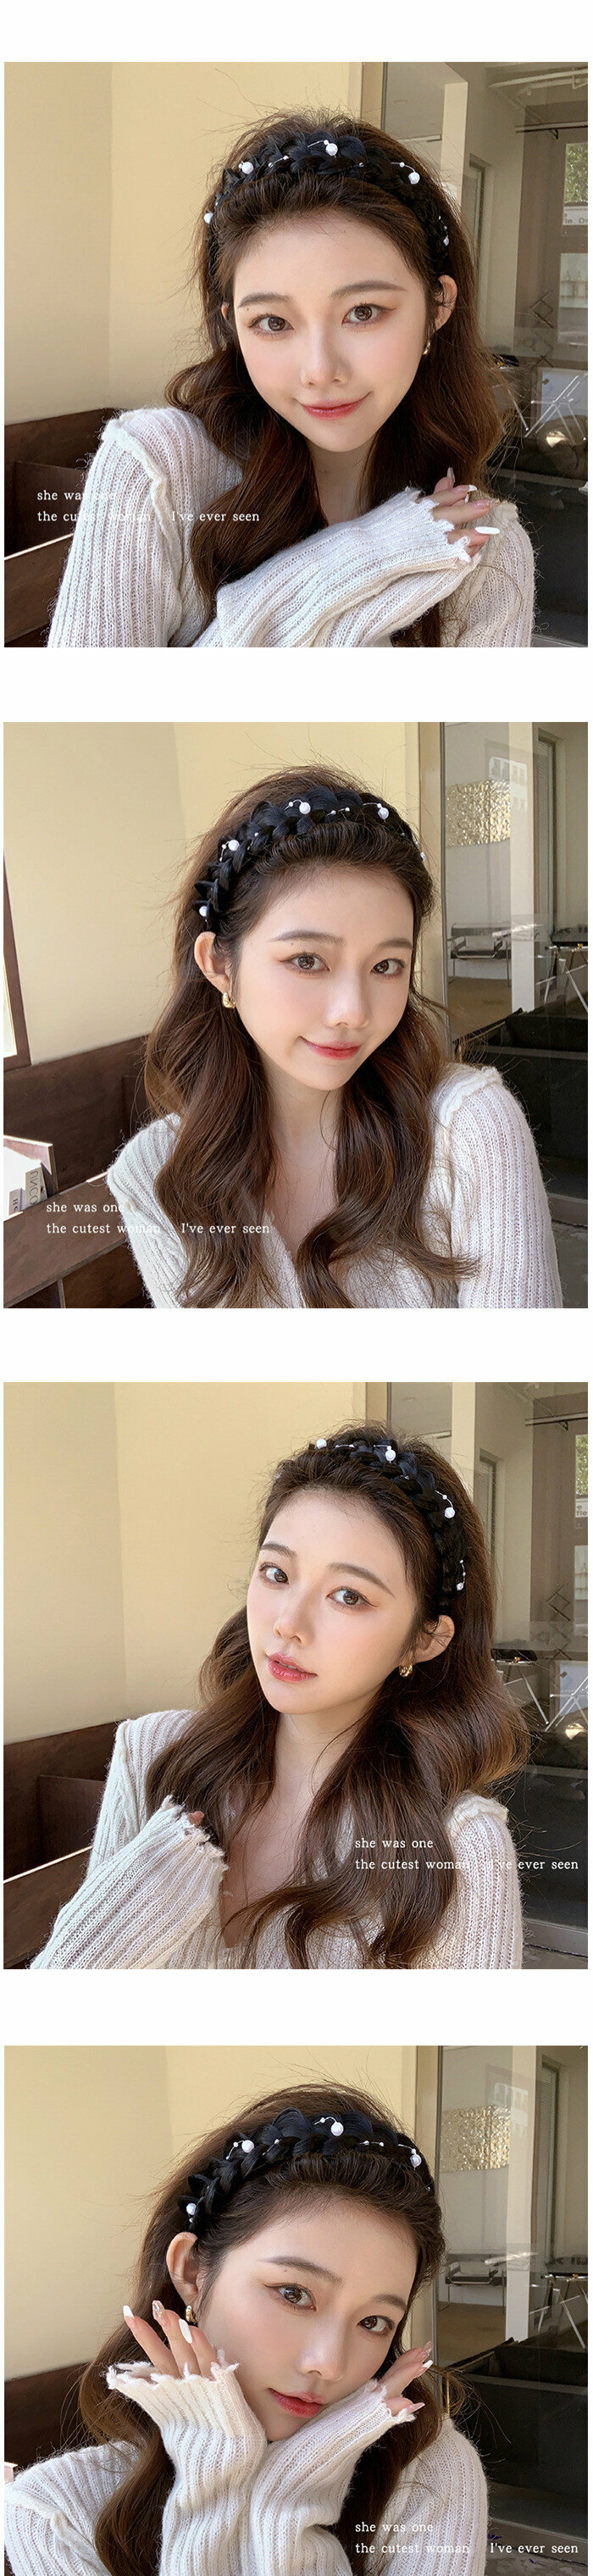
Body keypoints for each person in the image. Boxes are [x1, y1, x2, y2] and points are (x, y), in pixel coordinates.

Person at [34, 1412, 527, 1979]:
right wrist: (130, 1909)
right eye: (277, 1573)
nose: (288, 1623)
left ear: (424, 1639)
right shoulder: (151, 1755)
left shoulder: (461, 1852)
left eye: (348, 1595)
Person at [4, 2075, 487, 2576]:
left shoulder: (431, 2473)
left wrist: (287, 2500)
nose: (329, 2364)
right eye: (294, 2293)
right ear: (191, 2271)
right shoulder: (53, 2514)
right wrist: (214, 2487)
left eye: (374, 2322)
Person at [46, 103, 535, 654]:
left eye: (364, 312)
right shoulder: (155, 472)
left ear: (437, 306)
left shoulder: (488, 554)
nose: (320, 370)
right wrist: (352, 560)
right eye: (273, 322)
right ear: (234, 327)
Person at [72, 769, 562, 1313]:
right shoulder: (155, 1176)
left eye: (386, 965)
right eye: (307, 960)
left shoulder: (469, 1131)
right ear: (220, 965)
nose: (353, 1011)